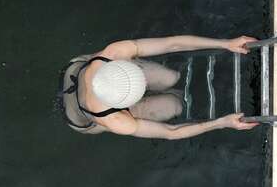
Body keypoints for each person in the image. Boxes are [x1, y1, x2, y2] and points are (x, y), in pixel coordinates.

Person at [59, 34, 261, 138]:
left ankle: (168, 87)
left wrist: (226, 43)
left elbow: (172, 44)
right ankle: (170, 96)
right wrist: (222, 122)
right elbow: (170, 133)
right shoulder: (115, 120)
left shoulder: (113, 53)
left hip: (79, 70)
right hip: (81, 116)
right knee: (175, 105)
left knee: (170, 78)